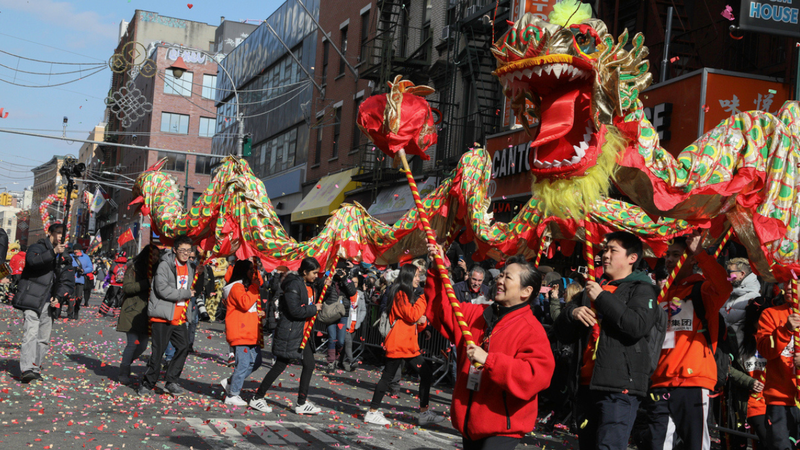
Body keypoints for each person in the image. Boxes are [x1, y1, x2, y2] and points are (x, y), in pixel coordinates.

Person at [425, 244, 555, 449]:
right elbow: (439, 310)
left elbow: (535, 375)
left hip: (502, 428)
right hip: (470, 423)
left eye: (508, 278)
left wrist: (490, 361)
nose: (500, 281)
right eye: (501, 275)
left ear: (526, 291)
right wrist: (437, 267)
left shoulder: (532, 330)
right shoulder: (477, 314)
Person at [554, 231, 661, 450]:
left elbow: (636, 325)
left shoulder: (643, 289)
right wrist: (572, 313)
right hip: (586, 384)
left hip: (620, 386)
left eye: (613, 250)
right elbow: (562, 334)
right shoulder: (591, 289)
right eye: (605, 249)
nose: (605, 255)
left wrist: (602, 297)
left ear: (632, 258)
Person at [641, 231, 733, 450]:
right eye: (667, 254)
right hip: (660, 381)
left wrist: (700, 252)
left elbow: (724, 286)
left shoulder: (703, 290)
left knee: (696, 445)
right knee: (657, 445)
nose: (669, 259)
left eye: (676, 254)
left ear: (690, 258)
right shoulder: (660, 295)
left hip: (694, 382)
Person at [364, 263, 445, 426]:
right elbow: (412, 314)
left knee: (426, 373)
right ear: (408, 276)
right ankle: (372, 411)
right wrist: (424, 298)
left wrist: (422, 323)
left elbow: (414, 320)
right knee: (387, 377)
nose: (418, 279)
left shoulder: (407, 293)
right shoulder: (400, 293)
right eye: (416, 276)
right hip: (399, 344)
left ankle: (423, 411)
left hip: (408, 345)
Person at [249, 257, 324, 414]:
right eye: (314, 273)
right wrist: (313, 309)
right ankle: (258, 397)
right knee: (280, 365)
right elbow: (294, 310)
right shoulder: (293, 285)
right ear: (304, 272)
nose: (316, 276)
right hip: (291, 331)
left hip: (304, 333)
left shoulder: (310, 284)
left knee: (309, 365)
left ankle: (301, 403)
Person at [138, 236, 195, 396]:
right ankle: (147, 384)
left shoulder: (190, 266)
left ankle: (171, 380)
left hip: (179, 316)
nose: (185, 254)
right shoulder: (165, 266)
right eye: (182, 250)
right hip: (162, 316)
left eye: (188, 250)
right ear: (175, 250)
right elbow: (162, 289)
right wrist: (186, 293)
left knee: (184, 347)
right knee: (159, 352)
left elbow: (191, 287)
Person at [12, 223, 66, 383]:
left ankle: (35, 367)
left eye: (62, 234)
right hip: (32, 297)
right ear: (50, 233)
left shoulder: (65, 254)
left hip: (49, 301)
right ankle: (27, 369)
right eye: (57, 233)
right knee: (31, 334)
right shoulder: (38, 247)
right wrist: (53, 252)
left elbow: (66, 278)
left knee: (43, 339)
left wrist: (59, 295)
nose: (60, 237)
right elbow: (33, 262)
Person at [756, 287, 800, 449]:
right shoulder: (771, 314)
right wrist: (785, 330)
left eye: (795, 281)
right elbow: (765, 350)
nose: (788, 286)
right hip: (779, 399)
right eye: (786, 281)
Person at [220, 260, 265, 407]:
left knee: (256, 362)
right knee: (244, 363)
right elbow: (245, 303)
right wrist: (254, 287)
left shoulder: (246, 287)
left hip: (250, 331)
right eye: (250, 270)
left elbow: (249, 308)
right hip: (240, 331)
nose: (253, 273)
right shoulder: (236, 287)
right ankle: (233, 394)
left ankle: (231, 382)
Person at [116, 244, 159, 385]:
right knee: (132, 344)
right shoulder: (134, 268)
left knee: (143, 345)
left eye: (158, 256)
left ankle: (126, 363)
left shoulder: (158, 270)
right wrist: (147, 283)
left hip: (148, 312)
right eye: (154, 255)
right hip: (132, 311)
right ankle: (124, 370)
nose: (156, 258)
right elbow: (127, 288)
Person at [322, 264, 357, 371]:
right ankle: (331, 362)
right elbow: (323, 294)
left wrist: (345, 279)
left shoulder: (348, 280)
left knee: (341, 341)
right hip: (331, 313)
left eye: (341, 270)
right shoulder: (329, 280)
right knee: (332, 338)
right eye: (337, 270)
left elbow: (352, 292)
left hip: (343, 314)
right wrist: (328, 282)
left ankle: (338, 359)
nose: (339, 272)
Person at [721, 257, 761, 352]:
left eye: (730, 271)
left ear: (742, 274)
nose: (727, 275)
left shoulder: (754, 298)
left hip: (742, 353)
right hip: (723, 350)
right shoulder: (728, 292)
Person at [339, 273, 367, 371]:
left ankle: (340, 362)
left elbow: (363, 309)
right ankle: (351, 361)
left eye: (356, 282)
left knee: (346, 345)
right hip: (346, 321)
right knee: (348, 343)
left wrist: (360, 320)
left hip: (355, 324)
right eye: (353, 282)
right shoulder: (346, 293)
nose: (354, 284)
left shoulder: (360, 294)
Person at [70, 244, 93, 318]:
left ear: (80, 250)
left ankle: (76, 310)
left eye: (77, 250)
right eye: (74, 250)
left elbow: (90, 268)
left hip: (80, 279)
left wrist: (83, 270)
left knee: (79, 297)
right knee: (71, 297)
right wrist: (72, 268)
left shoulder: (86, 257)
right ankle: (70, 313)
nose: (76, 251)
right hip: (71, 279)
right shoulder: (70, 256)